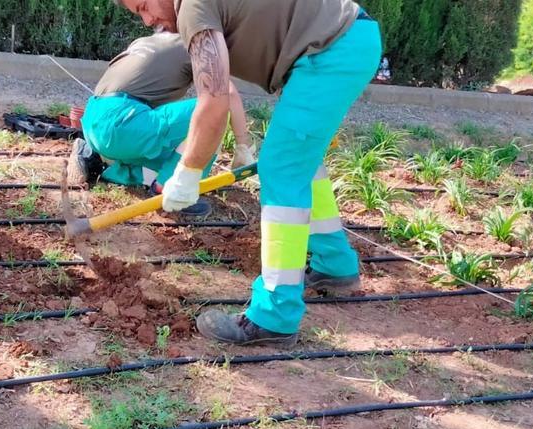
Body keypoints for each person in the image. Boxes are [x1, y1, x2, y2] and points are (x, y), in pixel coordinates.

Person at [114, 0, 382, 346]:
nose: (149, 20)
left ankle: (275, 316)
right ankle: (334, 264)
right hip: (346, 39)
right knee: (300, 162)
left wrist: (188, 170)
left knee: (281, 168)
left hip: (332, 48)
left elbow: (213, 101)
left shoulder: (192, 7)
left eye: (144, 6)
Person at [72, 32, 256, 217]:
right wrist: (242, 146)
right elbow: (227, 93)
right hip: (123, 123)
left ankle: (101, 163)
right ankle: (169, 187)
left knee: (172, 156)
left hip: (94, 122)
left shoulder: (150, 41)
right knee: (215, 110)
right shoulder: (199, 43)